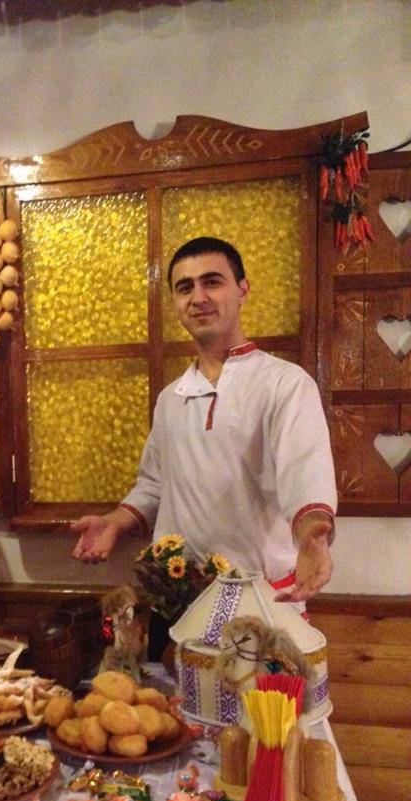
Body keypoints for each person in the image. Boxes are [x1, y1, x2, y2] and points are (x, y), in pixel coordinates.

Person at [72, 237, 336, 655]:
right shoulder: (171, 398)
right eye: (185, 287)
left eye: (212, 282)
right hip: (179, 602)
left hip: (261, 602)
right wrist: (115, 522)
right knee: (170, 700)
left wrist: (312, 540)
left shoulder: (284, 384)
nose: (198, 297)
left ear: (242, 289)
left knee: (264, 701)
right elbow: (155, 484)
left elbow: (305, 475)